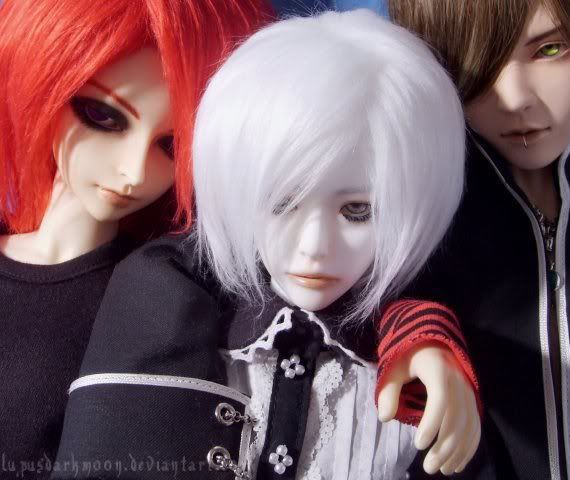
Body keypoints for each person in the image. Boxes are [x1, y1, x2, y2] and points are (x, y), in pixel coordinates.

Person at [53, 9, 480, 479]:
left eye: (358, 211)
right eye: (282, 203)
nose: (314, 247)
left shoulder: (412, 344)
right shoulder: (169, 299)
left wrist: (424, 335)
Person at [0, 0, 271, 474]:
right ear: (40, 81)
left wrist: (408, 331)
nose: (133, 172)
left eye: (172, 145)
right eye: (103, 116)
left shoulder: (163, 296)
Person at [387, 0, 570, 478]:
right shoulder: (417, 246)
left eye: (550, 49)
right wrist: (416, 338)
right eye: (475, 61)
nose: (514, 96)